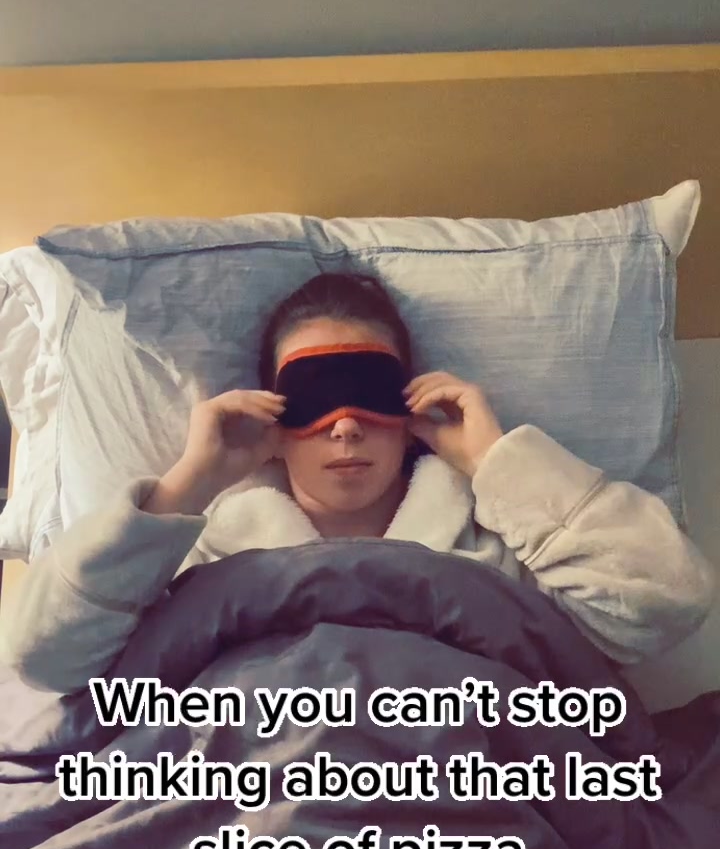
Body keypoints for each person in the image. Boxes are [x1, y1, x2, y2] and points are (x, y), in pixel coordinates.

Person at [0, 273, 715, 695]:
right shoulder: (205, 554)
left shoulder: (497, 547)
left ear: (409, 410)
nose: (343, 426)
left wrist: (494, 458)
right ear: (273, 418)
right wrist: (189, 484)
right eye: (312, 400)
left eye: (368, 395)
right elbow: (45, 658)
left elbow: (667, 599)